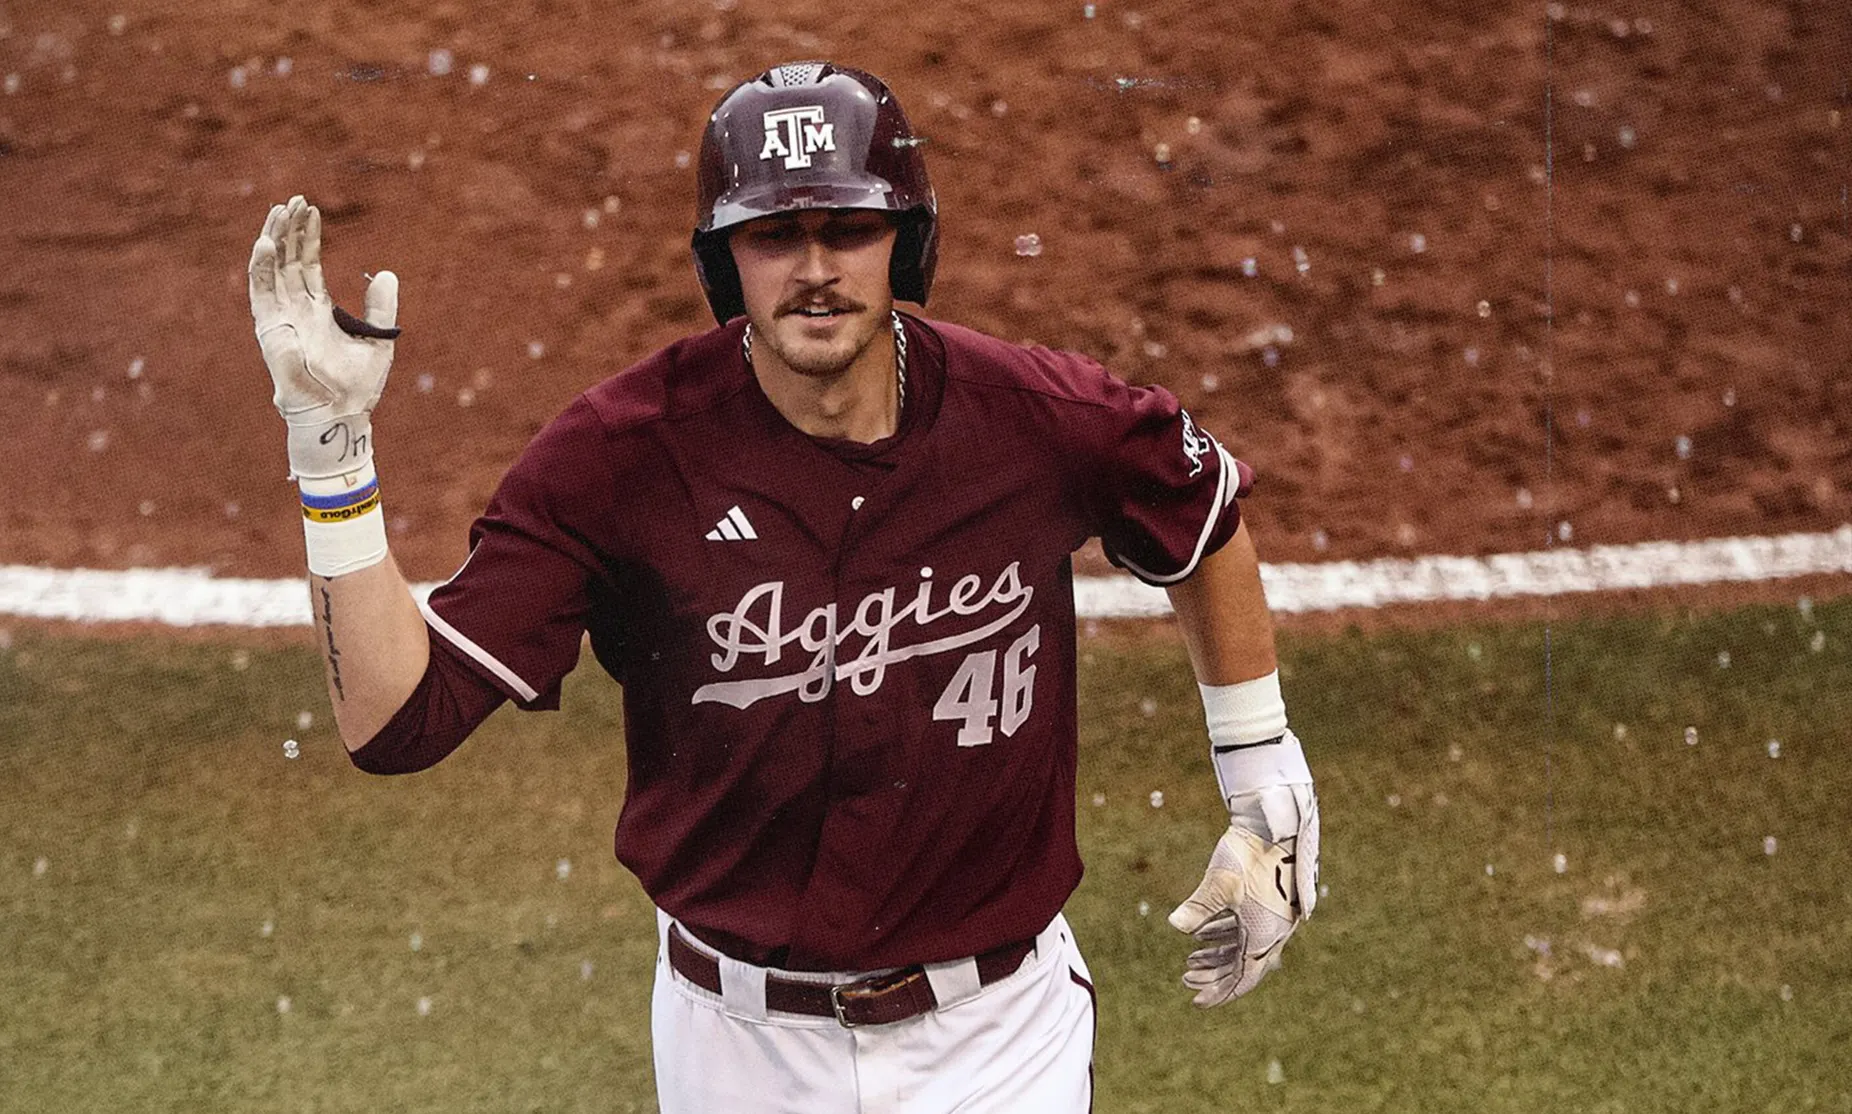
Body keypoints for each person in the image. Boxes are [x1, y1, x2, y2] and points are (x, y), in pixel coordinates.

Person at [246, 60, 1318, 1113]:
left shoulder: (1030, 418)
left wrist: (1266, 780)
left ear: (907, 241)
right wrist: (333, 453)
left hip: (999, 1038)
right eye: (775, 235)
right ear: (726, 261)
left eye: (848, 229)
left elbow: (1199, 508)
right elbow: (396, 720)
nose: (816, 269)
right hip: (739, 1051)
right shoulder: (620, 458)